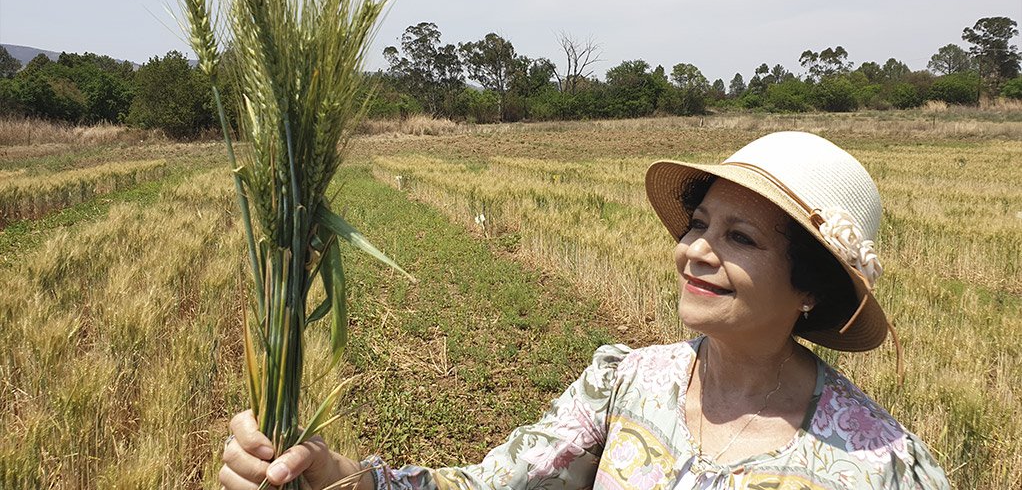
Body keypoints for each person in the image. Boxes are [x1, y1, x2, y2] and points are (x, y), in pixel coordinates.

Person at [220, 131, 950, 489]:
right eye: (698, 223)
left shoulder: (879, 463)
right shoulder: (626, 382)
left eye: (740, 237)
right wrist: (337, 475)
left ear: (811, 285)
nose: (695, 250)